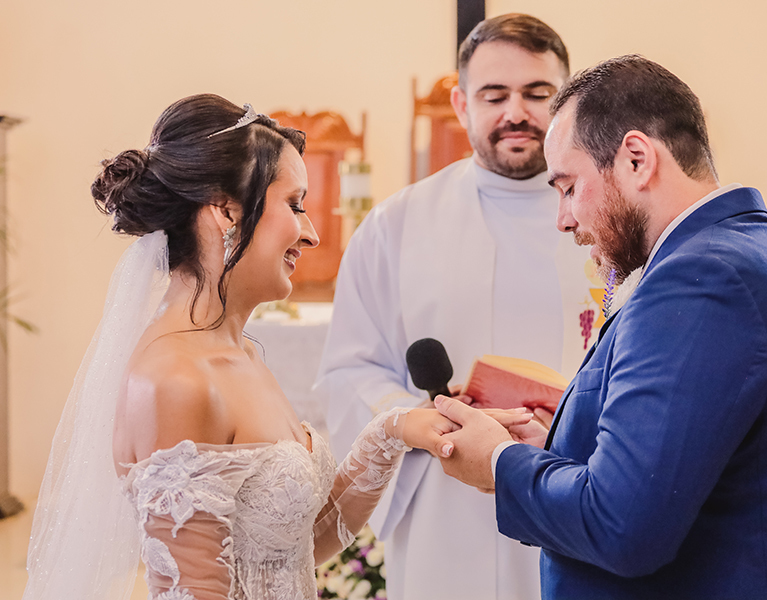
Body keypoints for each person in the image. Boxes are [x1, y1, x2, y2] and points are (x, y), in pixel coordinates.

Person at [22, 94, 530, 600]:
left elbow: (297, 546)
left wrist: (398, 429)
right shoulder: (174, 381)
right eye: (295, 204)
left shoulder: (242, 354)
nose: (310, 233)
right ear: (225, 210)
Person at [434, 55, 767, 599]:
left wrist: (500, 461)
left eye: (567, 187)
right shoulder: (743, 250)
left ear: (635, 158)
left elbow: (622, 528)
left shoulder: (701, 277)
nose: (562, 218)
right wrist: (556, 445)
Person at [315, 14, 598, 600]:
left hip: (578, 484)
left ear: (567, 102)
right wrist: (435, 424)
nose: (515, 112)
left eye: (537, 93)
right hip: (443, 493)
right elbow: (350, 370)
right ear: (461, 103)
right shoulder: (396, 225)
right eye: (494, 95)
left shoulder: (610, 216)